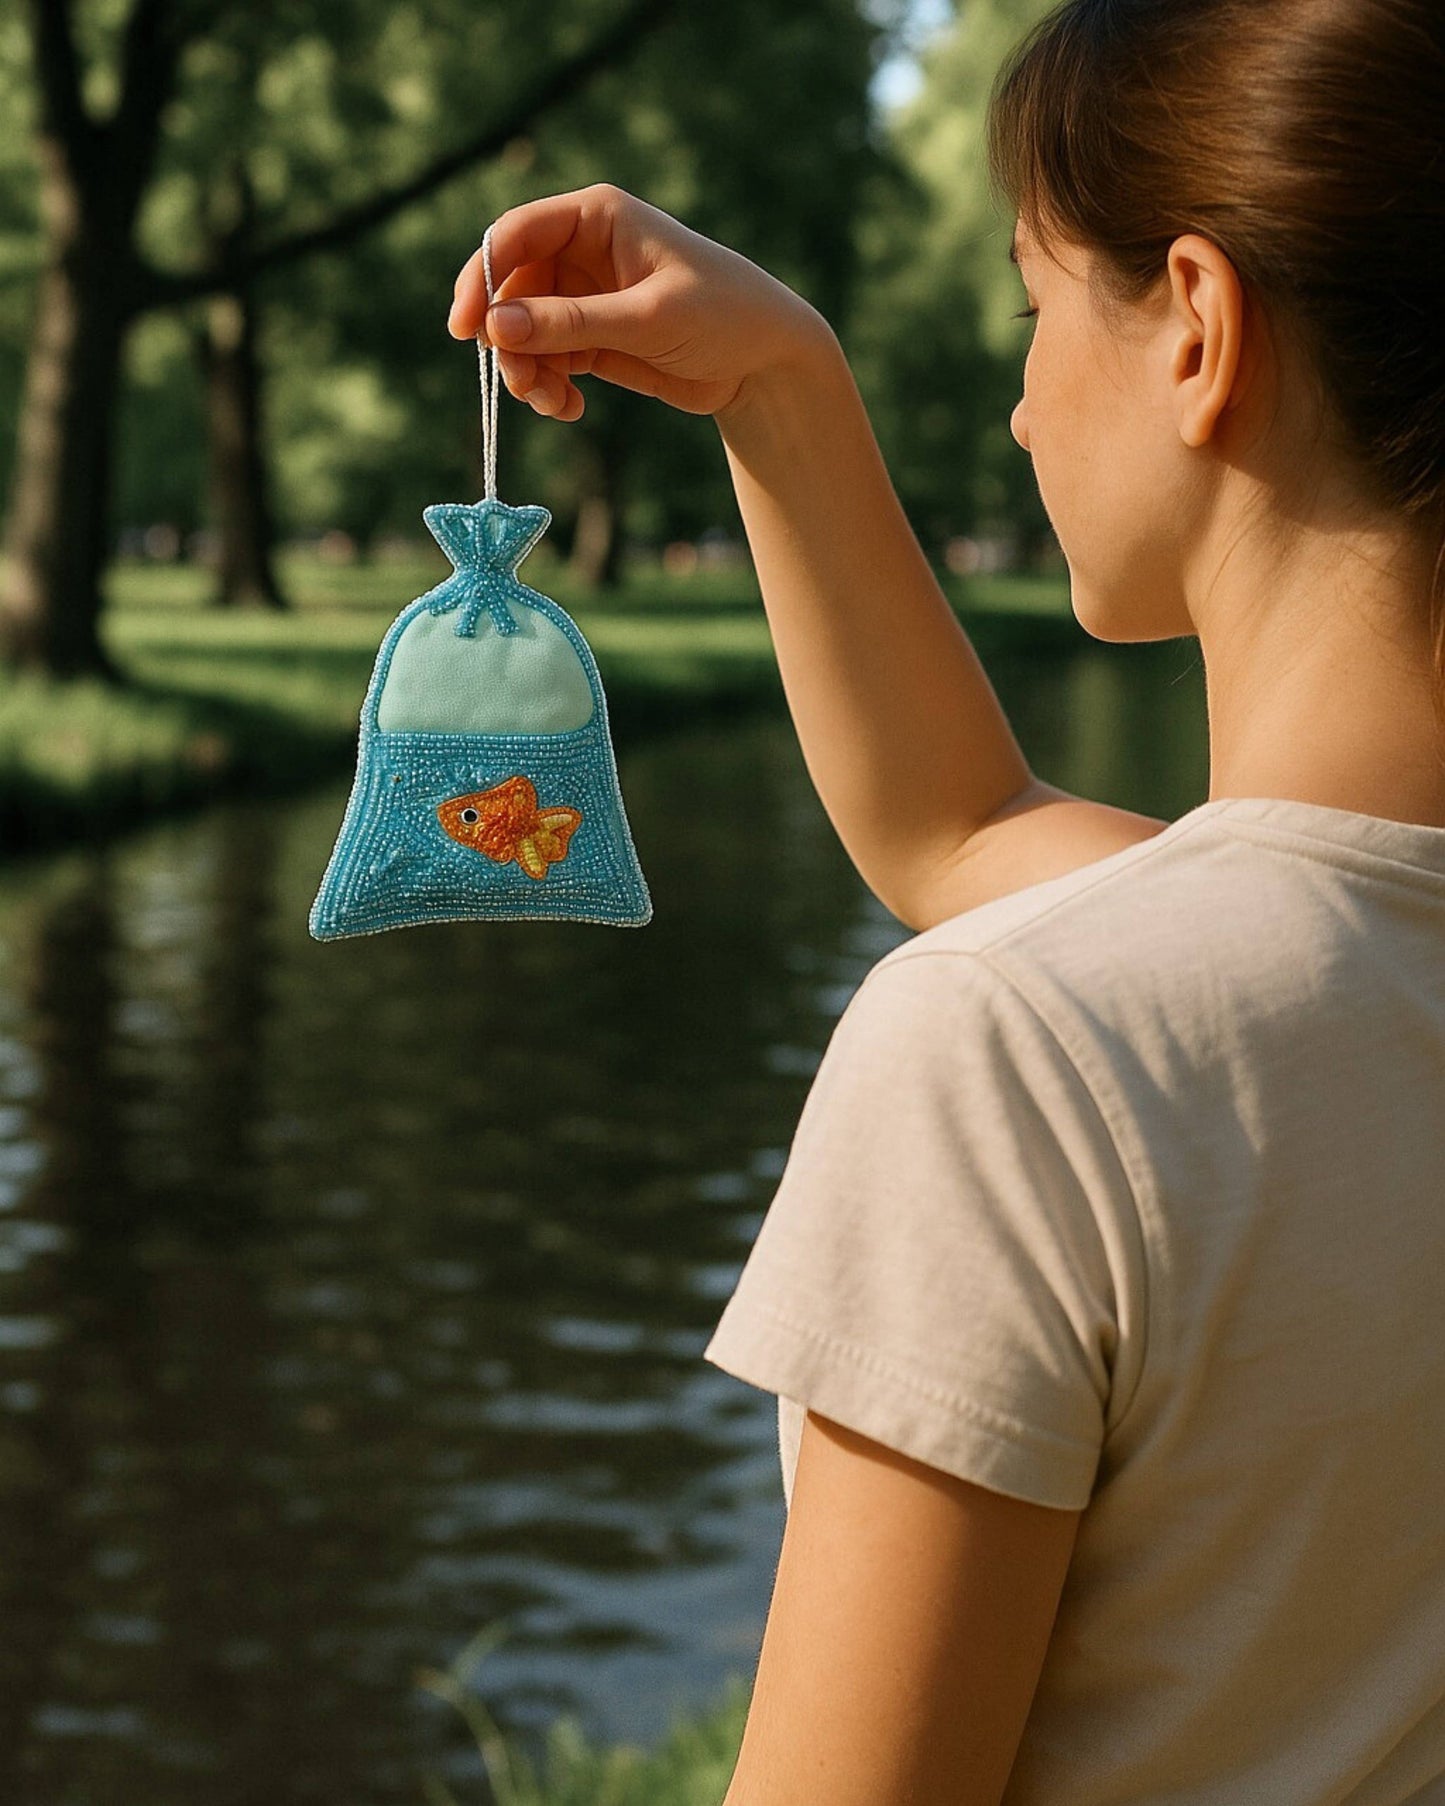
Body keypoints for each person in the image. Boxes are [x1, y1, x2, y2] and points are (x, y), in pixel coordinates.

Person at [447, 0, 1445, 1797]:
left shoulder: (1021, 1054)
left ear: (1197, 326)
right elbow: (961, 827)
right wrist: (778, 388)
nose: (1018, 399)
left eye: (1031, 306)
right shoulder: (1288, 990)